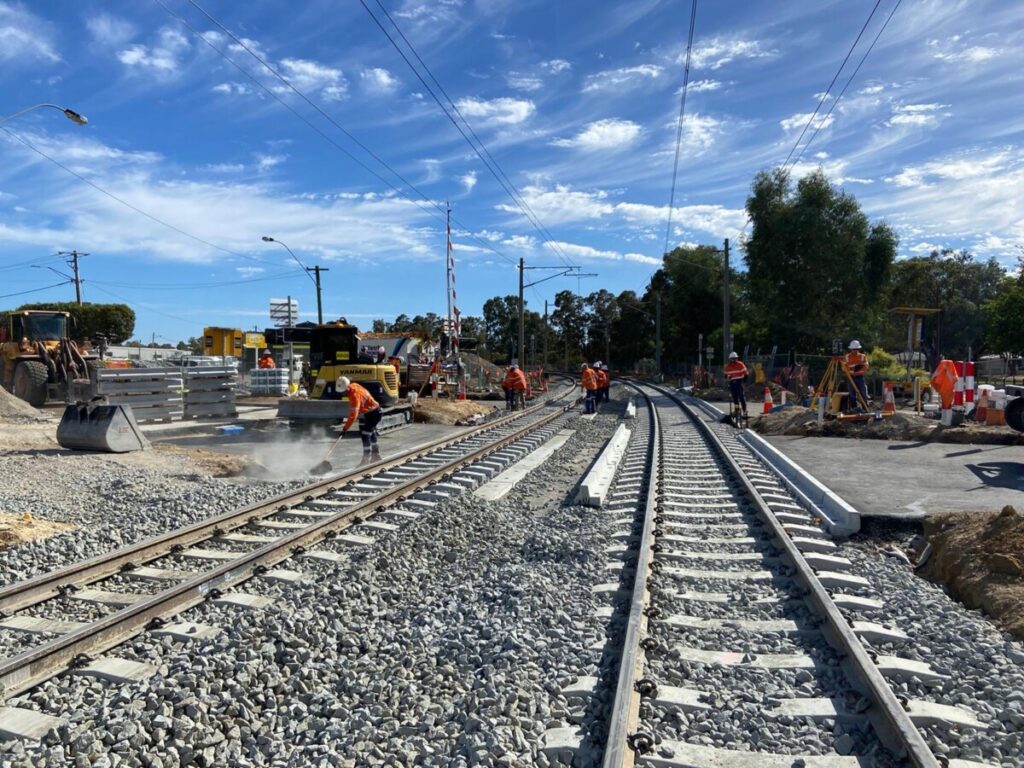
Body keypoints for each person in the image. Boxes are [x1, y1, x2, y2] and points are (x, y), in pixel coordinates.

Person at [337, 376, 382, 465]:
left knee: (366, 433)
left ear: (347, 388)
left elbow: (353, 416)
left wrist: (345, 428)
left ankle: (366, 459)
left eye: (343, 392)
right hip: (370, 412)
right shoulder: (354, 385)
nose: (342, 394)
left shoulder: (354, 396)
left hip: (374, 413)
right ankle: (376, 455)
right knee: (370, 432)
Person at [843, 340, 870, 411]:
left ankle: (865, 407)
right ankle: (854, 408)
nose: (855, 351)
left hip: (860, 377)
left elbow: (866, 367)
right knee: (852, 394)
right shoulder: (847, 357)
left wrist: (859, 372)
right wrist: (851, 372)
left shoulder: (862, 356)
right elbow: (844, 368)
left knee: (863, 392)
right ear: (851, 349)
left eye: (856, 349)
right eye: (854, 349)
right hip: (850, 377)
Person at [723, 351, 748, 416]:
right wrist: (728, 379)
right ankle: (737, 410)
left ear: (737, 358)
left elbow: (746, 374)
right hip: (732, 383)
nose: (734, 359)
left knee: (741, 397)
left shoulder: (740, 364)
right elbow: (725, 375)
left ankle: (744, 411)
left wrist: (744, 382)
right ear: (730, 359)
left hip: (739, 382)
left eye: (735, 358)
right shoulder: (728, 366)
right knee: (735, 398)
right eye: (733, 358)